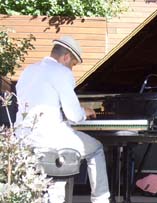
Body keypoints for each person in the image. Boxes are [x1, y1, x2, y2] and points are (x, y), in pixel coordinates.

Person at [14, 36, 110, 203]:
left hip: (23, 139)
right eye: (73, 64)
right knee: (96, 148)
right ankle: (101, 199)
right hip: (49, 139)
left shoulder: (28, 70)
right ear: (66, 57)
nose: (71, 69)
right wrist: (84, 112)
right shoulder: (61, 72)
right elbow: (74, 115)